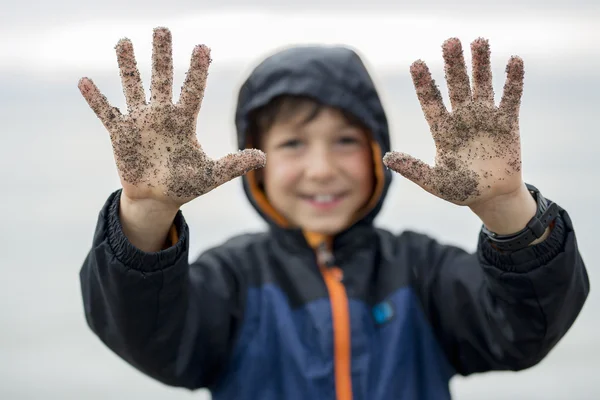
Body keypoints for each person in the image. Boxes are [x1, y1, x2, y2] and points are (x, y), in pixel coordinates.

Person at [78, 26, 589, 400]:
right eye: (293, 143)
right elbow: (146, 336)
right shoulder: (232, 279)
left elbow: (526, 331)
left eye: (345, 140)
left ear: (378, 153)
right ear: (253, 159)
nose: (321, 170)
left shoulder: (422, 270)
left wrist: (505, 206)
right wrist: (146, 210)